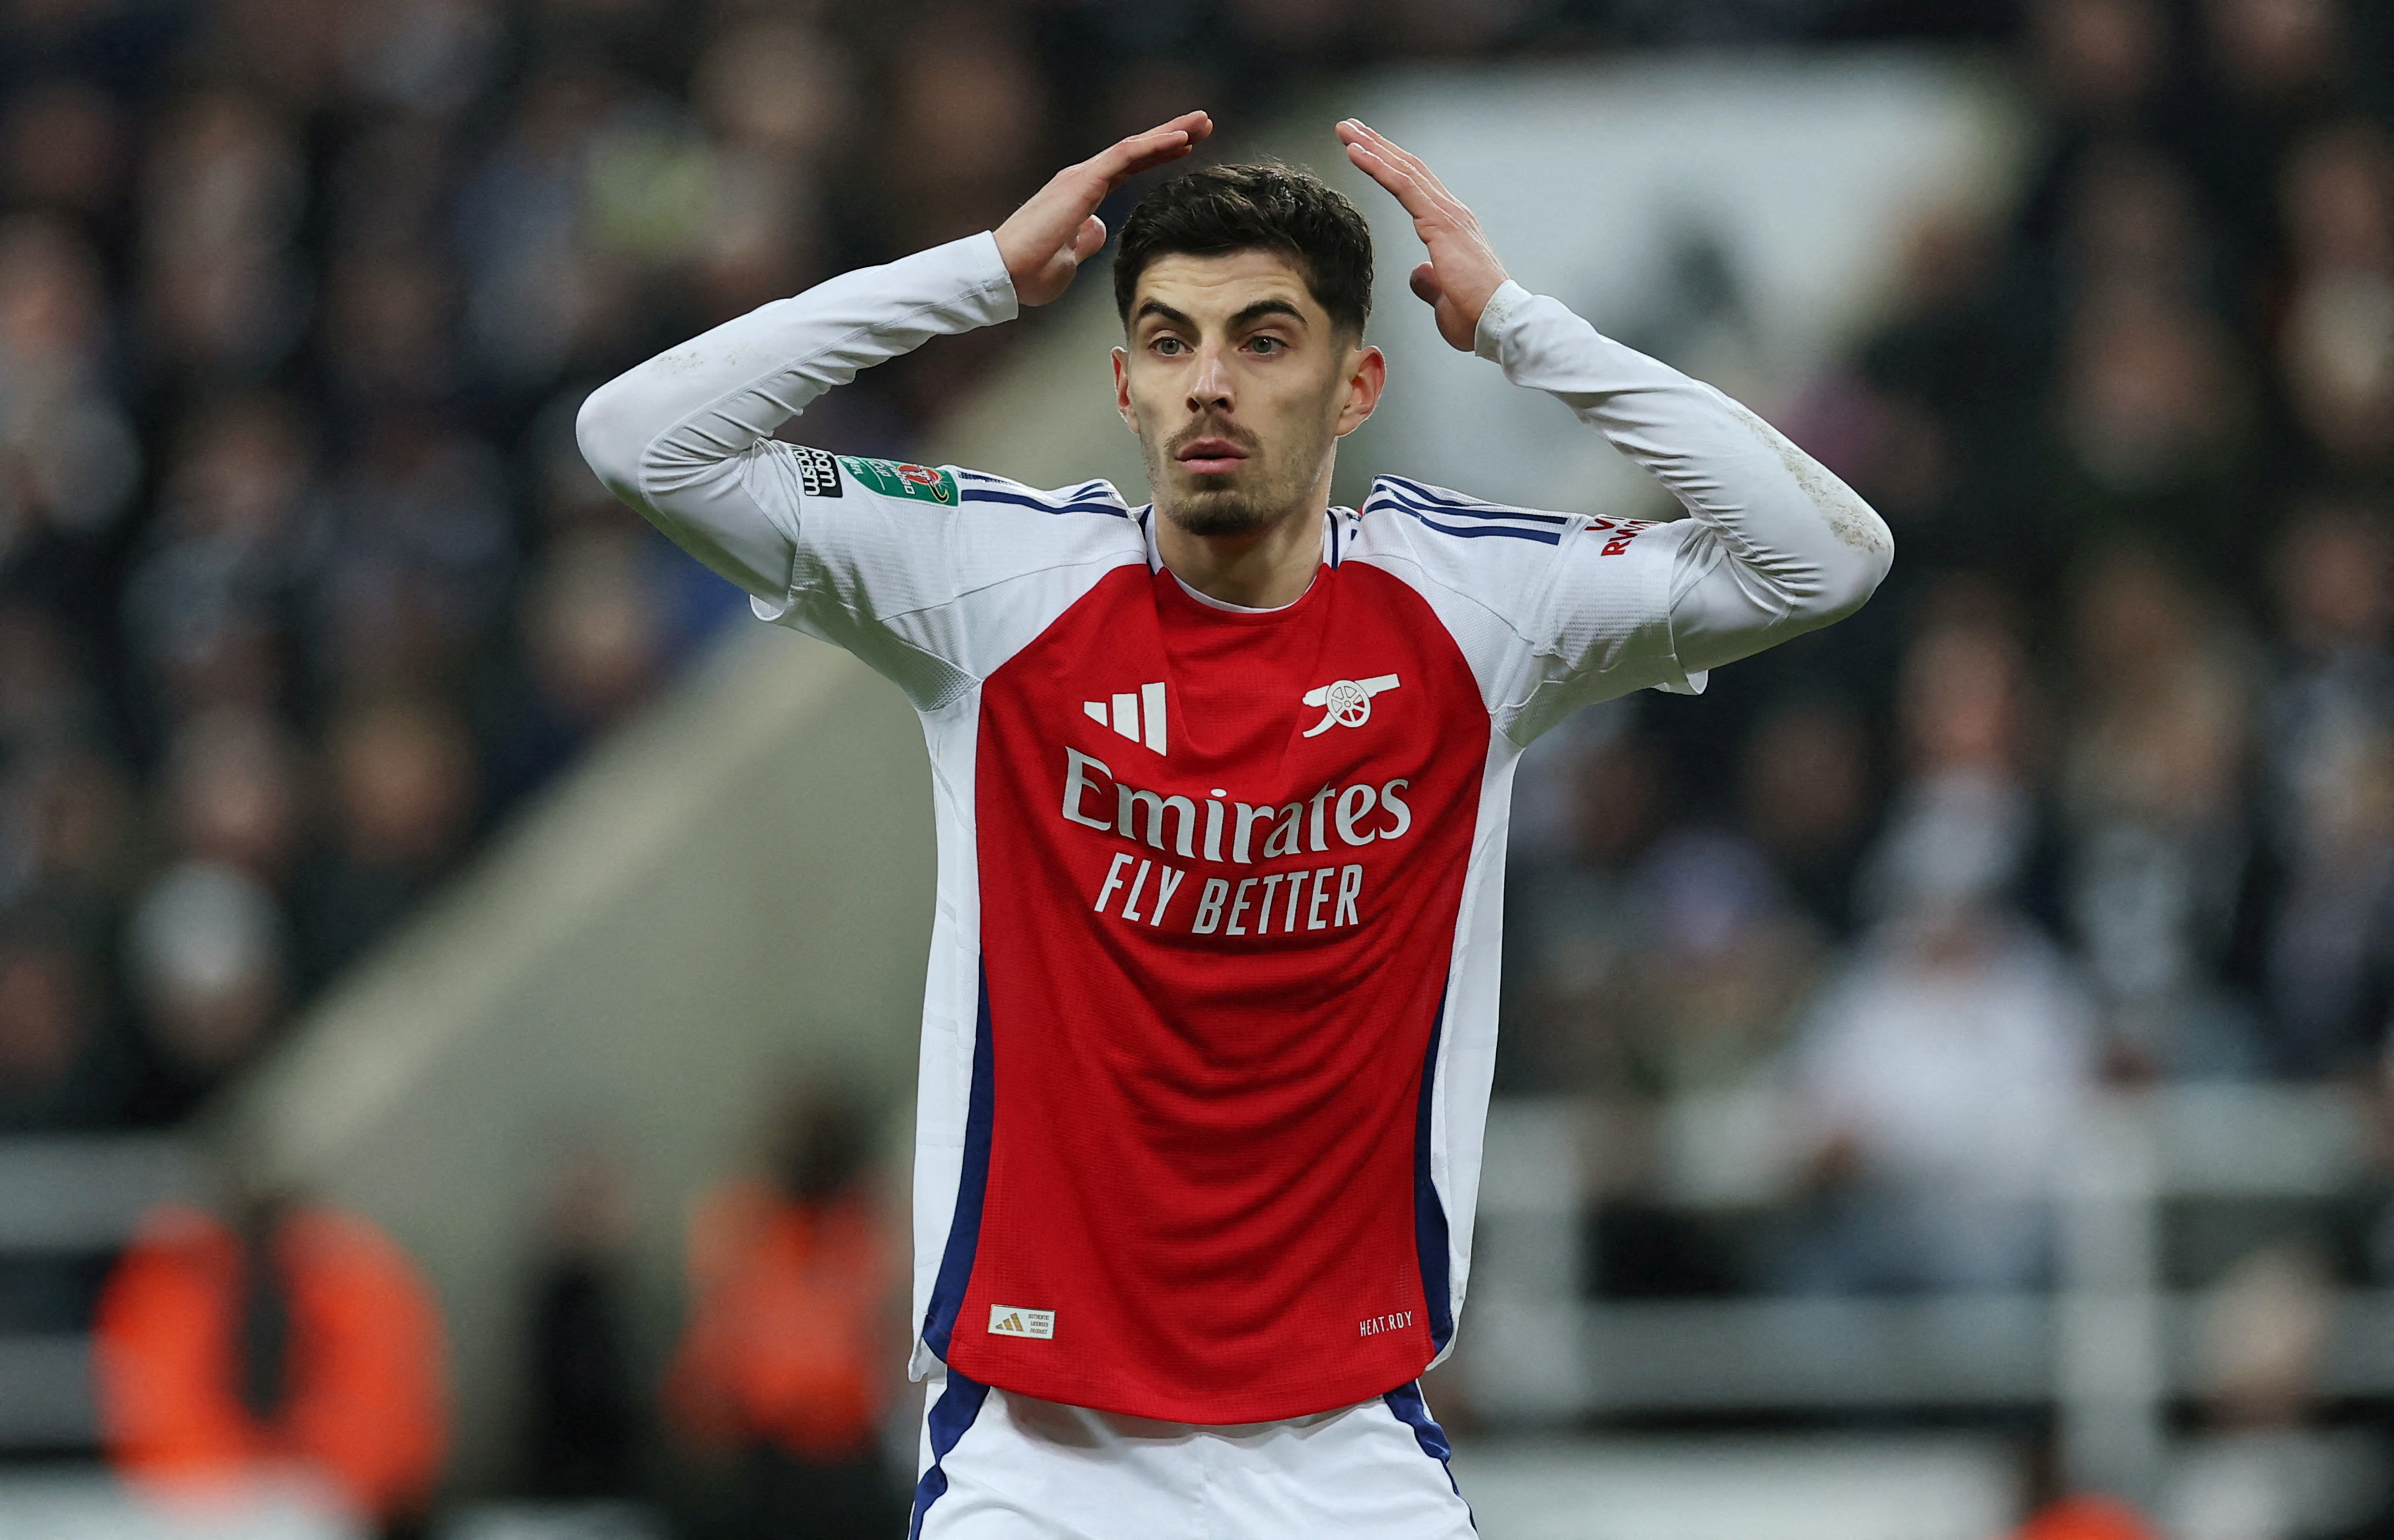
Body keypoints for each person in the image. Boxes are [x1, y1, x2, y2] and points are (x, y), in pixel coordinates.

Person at [578, 111, 1891, 1538]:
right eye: (1168, 339)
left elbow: (1825, 553)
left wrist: (1520, 326)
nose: (1210, 384)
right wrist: (970, 277)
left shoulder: (1472, 610)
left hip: (1345, 1453)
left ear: (1355, 384)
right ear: (1124, 383)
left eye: (1264, 340)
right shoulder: (993, 583)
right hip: (1038, 1458)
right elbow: (639, 439)